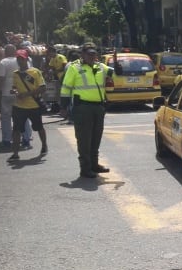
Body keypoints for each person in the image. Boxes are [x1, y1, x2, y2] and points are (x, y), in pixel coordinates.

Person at [59, 42, 112, 178]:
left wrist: (118, 67)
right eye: (89, 54)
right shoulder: (74, 68)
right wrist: (63, 107)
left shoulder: (99, 66)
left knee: (96, 137)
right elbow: (66, 88)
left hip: (98, 107)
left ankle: (94, 165)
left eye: (94, 54)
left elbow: (114, 72)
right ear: (83, 54)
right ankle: (85, 168)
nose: (92, 56)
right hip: (83, 108)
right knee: (84, 139)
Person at [8, 49, 47, 161]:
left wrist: (27, 94)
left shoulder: (35, 72)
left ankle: (44, 145)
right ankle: (15, 153)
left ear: (26, 59)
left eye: (22, 58)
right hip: (19, 106)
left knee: (39, 127)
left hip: (33, 105)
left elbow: (43, 88)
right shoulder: (15, 74)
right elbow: (15, 87)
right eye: (18, 58)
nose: (20, 61)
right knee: (16, 130)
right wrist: (14, 92)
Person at [0, 44, 32, 149]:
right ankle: (26, 139)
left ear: (5, 52)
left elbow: (1, 79)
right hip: (21, 93)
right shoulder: (25, 60)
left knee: (6, 118)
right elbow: (29, 76)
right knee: (24, 117)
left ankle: (7, 140)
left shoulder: (3, 62)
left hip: (7, 93)